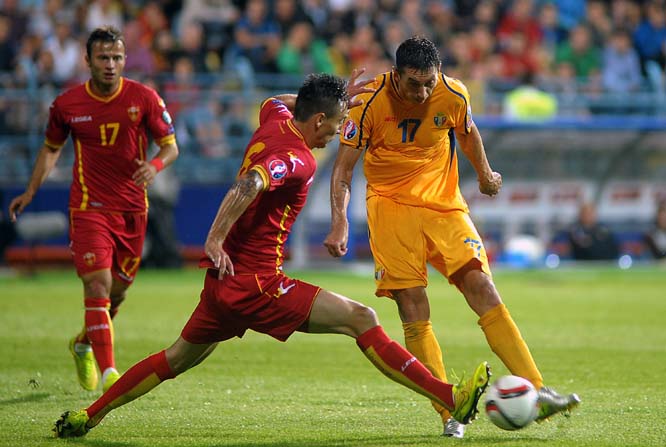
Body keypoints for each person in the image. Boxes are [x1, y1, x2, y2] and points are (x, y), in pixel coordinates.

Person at [52, 72, 491, 439]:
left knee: (174, 359)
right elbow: (251, 184)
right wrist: (214, 237)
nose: (338, 132)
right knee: (363, 319)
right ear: (318, 120)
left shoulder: (274, 118)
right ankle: (449, 396)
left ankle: (88, 417)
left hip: (222, 285)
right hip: (258, 283)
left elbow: (275, 100)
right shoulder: (299, 159)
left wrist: (336, 91)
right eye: (336, 123)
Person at [323, 37, 580, 439]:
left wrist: (484, 174)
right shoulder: (368, 103)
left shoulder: (454, 92)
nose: (424, 92)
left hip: (444, 204)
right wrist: (340, 222)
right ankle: (448, 411)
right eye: (414, 84)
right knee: (413, 305)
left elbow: (468, 131)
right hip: (390, 209)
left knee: (482, 286)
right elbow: (341, 171)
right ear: (396, 75)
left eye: (430, 82)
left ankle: (539, 389)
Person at [9, 27, 179, 393]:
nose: (111, 65)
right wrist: (30, 190)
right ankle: (109, 373)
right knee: (97, 285)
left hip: (132, 209)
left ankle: (84, 342)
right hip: (88, 208)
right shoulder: (67, 105)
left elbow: (170, 146)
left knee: (116, 294)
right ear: (88, 61)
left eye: (117, 58)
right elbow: (51, 148)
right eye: (103, 58)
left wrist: (155, 166)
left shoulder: (144, 98)